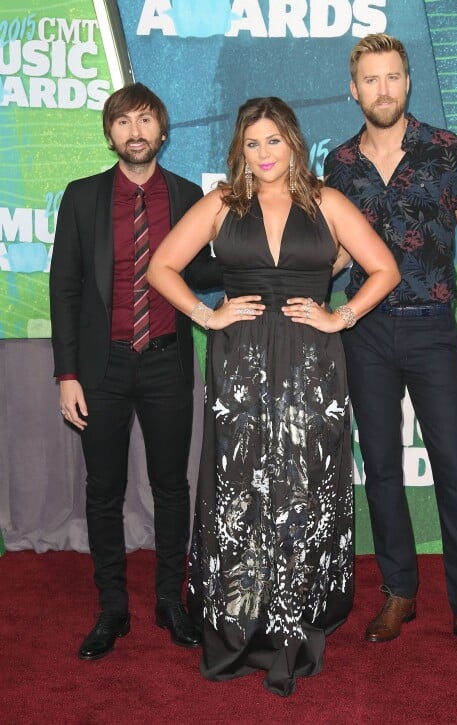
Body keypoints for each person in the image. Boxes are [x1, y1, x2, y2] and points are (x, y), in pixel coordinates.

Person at [147, 96, 401, 695]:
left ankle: (298, 619)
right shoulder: (221, 205)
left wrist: (343, 316)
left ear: (293, 140)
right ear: (241, 148)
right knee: (240, 488)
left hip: (313, 365)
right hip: (240, 365)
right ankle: (240, 620)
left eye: (273, 141)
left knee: (303, 486)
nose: (263, 154)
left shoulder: (326, 201)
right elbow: (162, 267)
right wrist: (205, 316)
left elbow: (383, 267)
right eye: (252, 143)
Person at [324, 34, 457, 663]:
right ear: (354, 89)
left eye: (393, 77)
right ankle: (399, 591)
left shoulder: (447, 149)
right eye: (370, 79)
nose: (383, 89)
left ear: (408, 83)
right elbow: (344, 250)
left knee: (455, 467)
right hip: (365, 330)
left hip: (433, 326)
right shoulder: (340, 163)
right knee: (378, 467)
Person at [50, 83, 221, 661]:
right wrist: (66, 374)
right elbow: (65, 290)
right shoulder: (82, 198)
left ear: (162, 131)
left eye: (145, 120)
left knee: (173, 488)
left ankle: (170, 603)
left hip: (168, 358)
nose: (135, 132)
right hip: (101, 367)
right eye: (123, 122)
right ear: (109, 135)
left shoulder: (189, 194)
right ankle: (111, 608)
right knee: (104, 491)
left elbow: (202, 271)